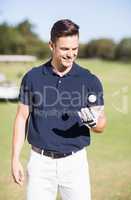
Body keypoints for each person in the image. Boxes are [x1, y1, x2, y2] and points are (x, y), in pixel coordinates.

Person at [11, 19, 106, 200]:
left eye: (74, 49)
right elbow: (22, 117)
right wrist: (15, 159)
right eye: (64, 49)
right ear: (51, 46)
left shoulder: (89, 79)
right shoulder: (32, 77)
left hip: (75, 164)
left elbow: (101, 123)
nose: (71, 54)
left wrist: (94, 123)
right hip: (40, 164)